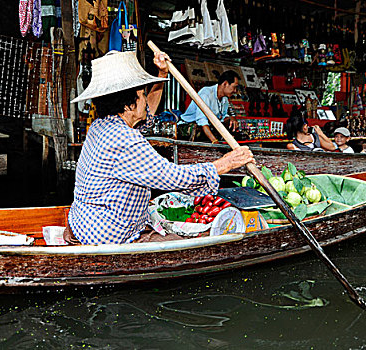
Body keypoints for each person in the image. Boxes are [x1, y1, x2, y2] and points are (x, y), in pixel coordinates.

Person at [66, 51, 254, 245]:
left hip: (84, 221)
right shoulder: (125, 139)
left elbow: (145, 117)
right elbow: (173, 177)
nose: (146, 101)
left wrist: (162, 75)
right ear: (130, 104)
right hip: (107, 235)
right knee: (180, 245)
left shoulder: (103, 124)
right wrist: (225, 163)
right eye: (143, 95)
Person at [179, 70, 240, 144]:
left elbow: (222, 117)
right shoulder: (206, 93)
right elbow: (202, 121)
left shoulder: (225, 99)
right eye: (234, 87)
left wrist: (231, 118)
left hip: (207, 128)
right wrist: (215, 142)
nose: (235, 91)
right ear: (225, 84)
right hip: (190, 128)